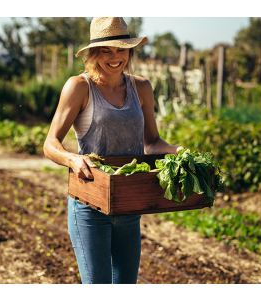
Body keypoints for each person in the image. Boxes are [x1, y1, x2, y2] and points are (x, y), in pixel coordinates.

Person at [43, 17, 184, 284]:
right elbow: (50, 143)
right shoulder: (79, 87)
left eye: (121, 49)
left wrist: (180, 151)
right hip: (90, 205)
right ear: (93, 53)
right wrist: (72, 159)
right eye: (106, 49)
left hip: (129, 204)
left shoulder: (141, 87)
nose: (115, 56)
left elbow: (152, 142)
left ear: (130, 50)